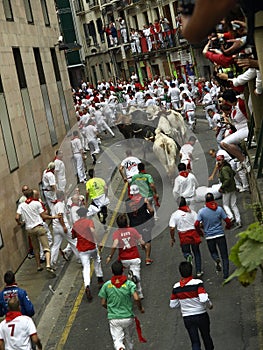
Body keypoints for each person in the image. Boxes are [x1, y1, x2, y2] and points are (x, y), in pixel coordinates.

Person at [98, 260, 145, 350]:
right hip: (128, 317)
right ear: (122, 271)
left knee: (117, 340)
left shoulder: (107, 285)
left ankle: (120, 348)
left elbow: (103, 303)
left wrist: (110, 309)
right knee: (129, 339)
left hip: (114, 318)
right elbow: (136, 298)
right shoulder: (129, 284)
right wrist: (140, 308)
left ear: (112, 272)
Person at [169, 261, 214, 350]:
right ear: (191, 270)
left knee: (195, 341)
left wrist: (182, 302)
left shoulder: (176, 287)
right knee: (206, 337)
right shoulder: (197, 283)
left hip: (187, 317)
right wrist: (210, 304)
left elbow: (172, 304)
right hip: (201, 315)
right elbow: (203, 298)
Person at [15, 189, 59, 276]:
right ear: (32, 195)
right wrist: (54, 217)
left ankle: (38, 266)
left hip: (29, 230)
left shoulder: (21, 205)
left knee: (35, 248)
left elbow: (17, 217)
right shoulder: (37, 203)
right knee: (46, 247)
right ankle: (48, 265)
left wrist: (19, 223)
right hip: (39, 227)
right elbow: (43, 216)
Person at [106, 214, 145, 299]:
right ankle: (139, 292)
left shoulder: (116, 233)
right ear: (127, 222)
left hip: (123, 259)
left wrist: (110, 256)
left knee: (120, 273)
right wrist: (143, 246)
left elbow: (114, 245)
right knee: (136, 274)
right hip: (134, 257)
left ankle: (124, 288)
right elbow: (141, 241)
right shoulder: (132, 230)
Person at [195, 193, 232, 280]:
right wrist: (228, 226)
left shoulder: (202, 212)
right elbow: (227, 220)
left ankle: (216, 259)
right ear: (213, 200)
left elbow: (196, 224)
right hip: (220, 234)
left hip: (209, 236)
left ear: (205, 201)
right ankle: (226, 275)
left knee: (213, 252)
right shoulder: (219, 209)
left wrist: (200, 232)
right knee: (225, 256)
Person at [72, 207, 104, 301]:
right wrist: (99, 242)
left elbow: (73, 236)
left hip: (82, 249)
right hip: (91, 246)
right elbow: (93, 231)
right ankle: (100, 278)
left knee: (86, 267)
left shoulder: (76, 224)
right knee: (97, 260)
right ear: (86, 214)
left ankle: (87, 285)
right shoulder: (89, 222)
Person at [169, 197, 203, 277]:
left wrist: (172, 238)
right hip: (193, 234)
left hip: (183, 235)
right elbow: (199, 223)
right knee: (197, 252)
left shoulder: (175, 214)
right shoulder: (192, 212)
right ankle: (198, 271)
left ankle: (188, 257)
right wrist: (201, 231)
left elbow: (172, 228)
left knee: (185, 252)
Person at [126, 184, 154, 265]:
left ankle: (142, 243)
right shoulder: (144, 200)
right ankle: (147, 258)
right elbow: (151, 210)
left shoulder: (127, 202)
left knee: (140, 238)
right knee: (148, 240)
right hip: (145, 223)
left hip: (134, 224)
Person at [50, 191, 79, 268]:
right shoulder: (60, 205)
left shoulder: (54, 205)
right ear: (62, 196)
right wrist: (64, 226)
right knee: (74, 242)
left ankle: (52, 263)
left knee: (55, 245)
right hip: (62, 226)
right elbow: (60, 216)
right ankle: (81, 258)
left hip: (55, 227)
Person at [216, 155, 242, 228]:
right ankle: (238, 220)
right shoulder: (228, 167)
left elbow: (227, 179)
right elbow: (233, 173)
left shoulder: (223, 170)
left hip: (227, 189)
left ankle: (231, 217)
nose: (218, 162)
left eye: (219, 161)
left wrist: (222, 187)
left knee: (225, 205)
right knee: (233, 205)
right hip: (233, 188)